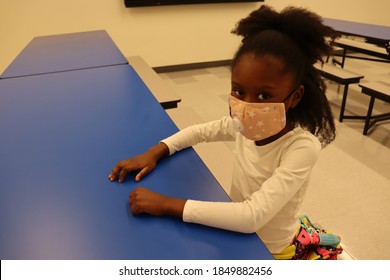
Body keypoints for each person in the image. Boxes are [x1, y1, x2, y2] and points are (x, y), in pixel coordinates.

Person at [108, 5, 338, 258]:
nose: (248, 106)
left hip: (269, 249)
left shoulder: (301, 147)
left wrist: (166, 204)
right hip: (236, 231)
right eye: (239, 91)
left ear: (295, 97)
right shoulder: (243, 125)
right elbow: (197, 132)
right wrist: (155, 151)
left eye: (264, 95)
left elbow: (252, 217)